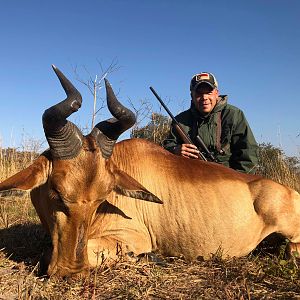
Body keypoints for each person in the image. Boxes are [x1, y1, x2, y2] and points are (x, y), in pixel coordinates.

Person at [163, 72, 258, 174]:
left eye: (209, 92)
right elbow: (167, 146)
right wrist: (175, 150)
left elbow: (248, 154)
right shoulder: (180, 120)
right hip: (191, 176)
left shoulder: (234, 114)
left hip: (228, 178)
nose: (204, 98)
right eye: (199, 93)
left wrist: (238, 182)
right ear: (192, 96)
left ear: (216, 93)